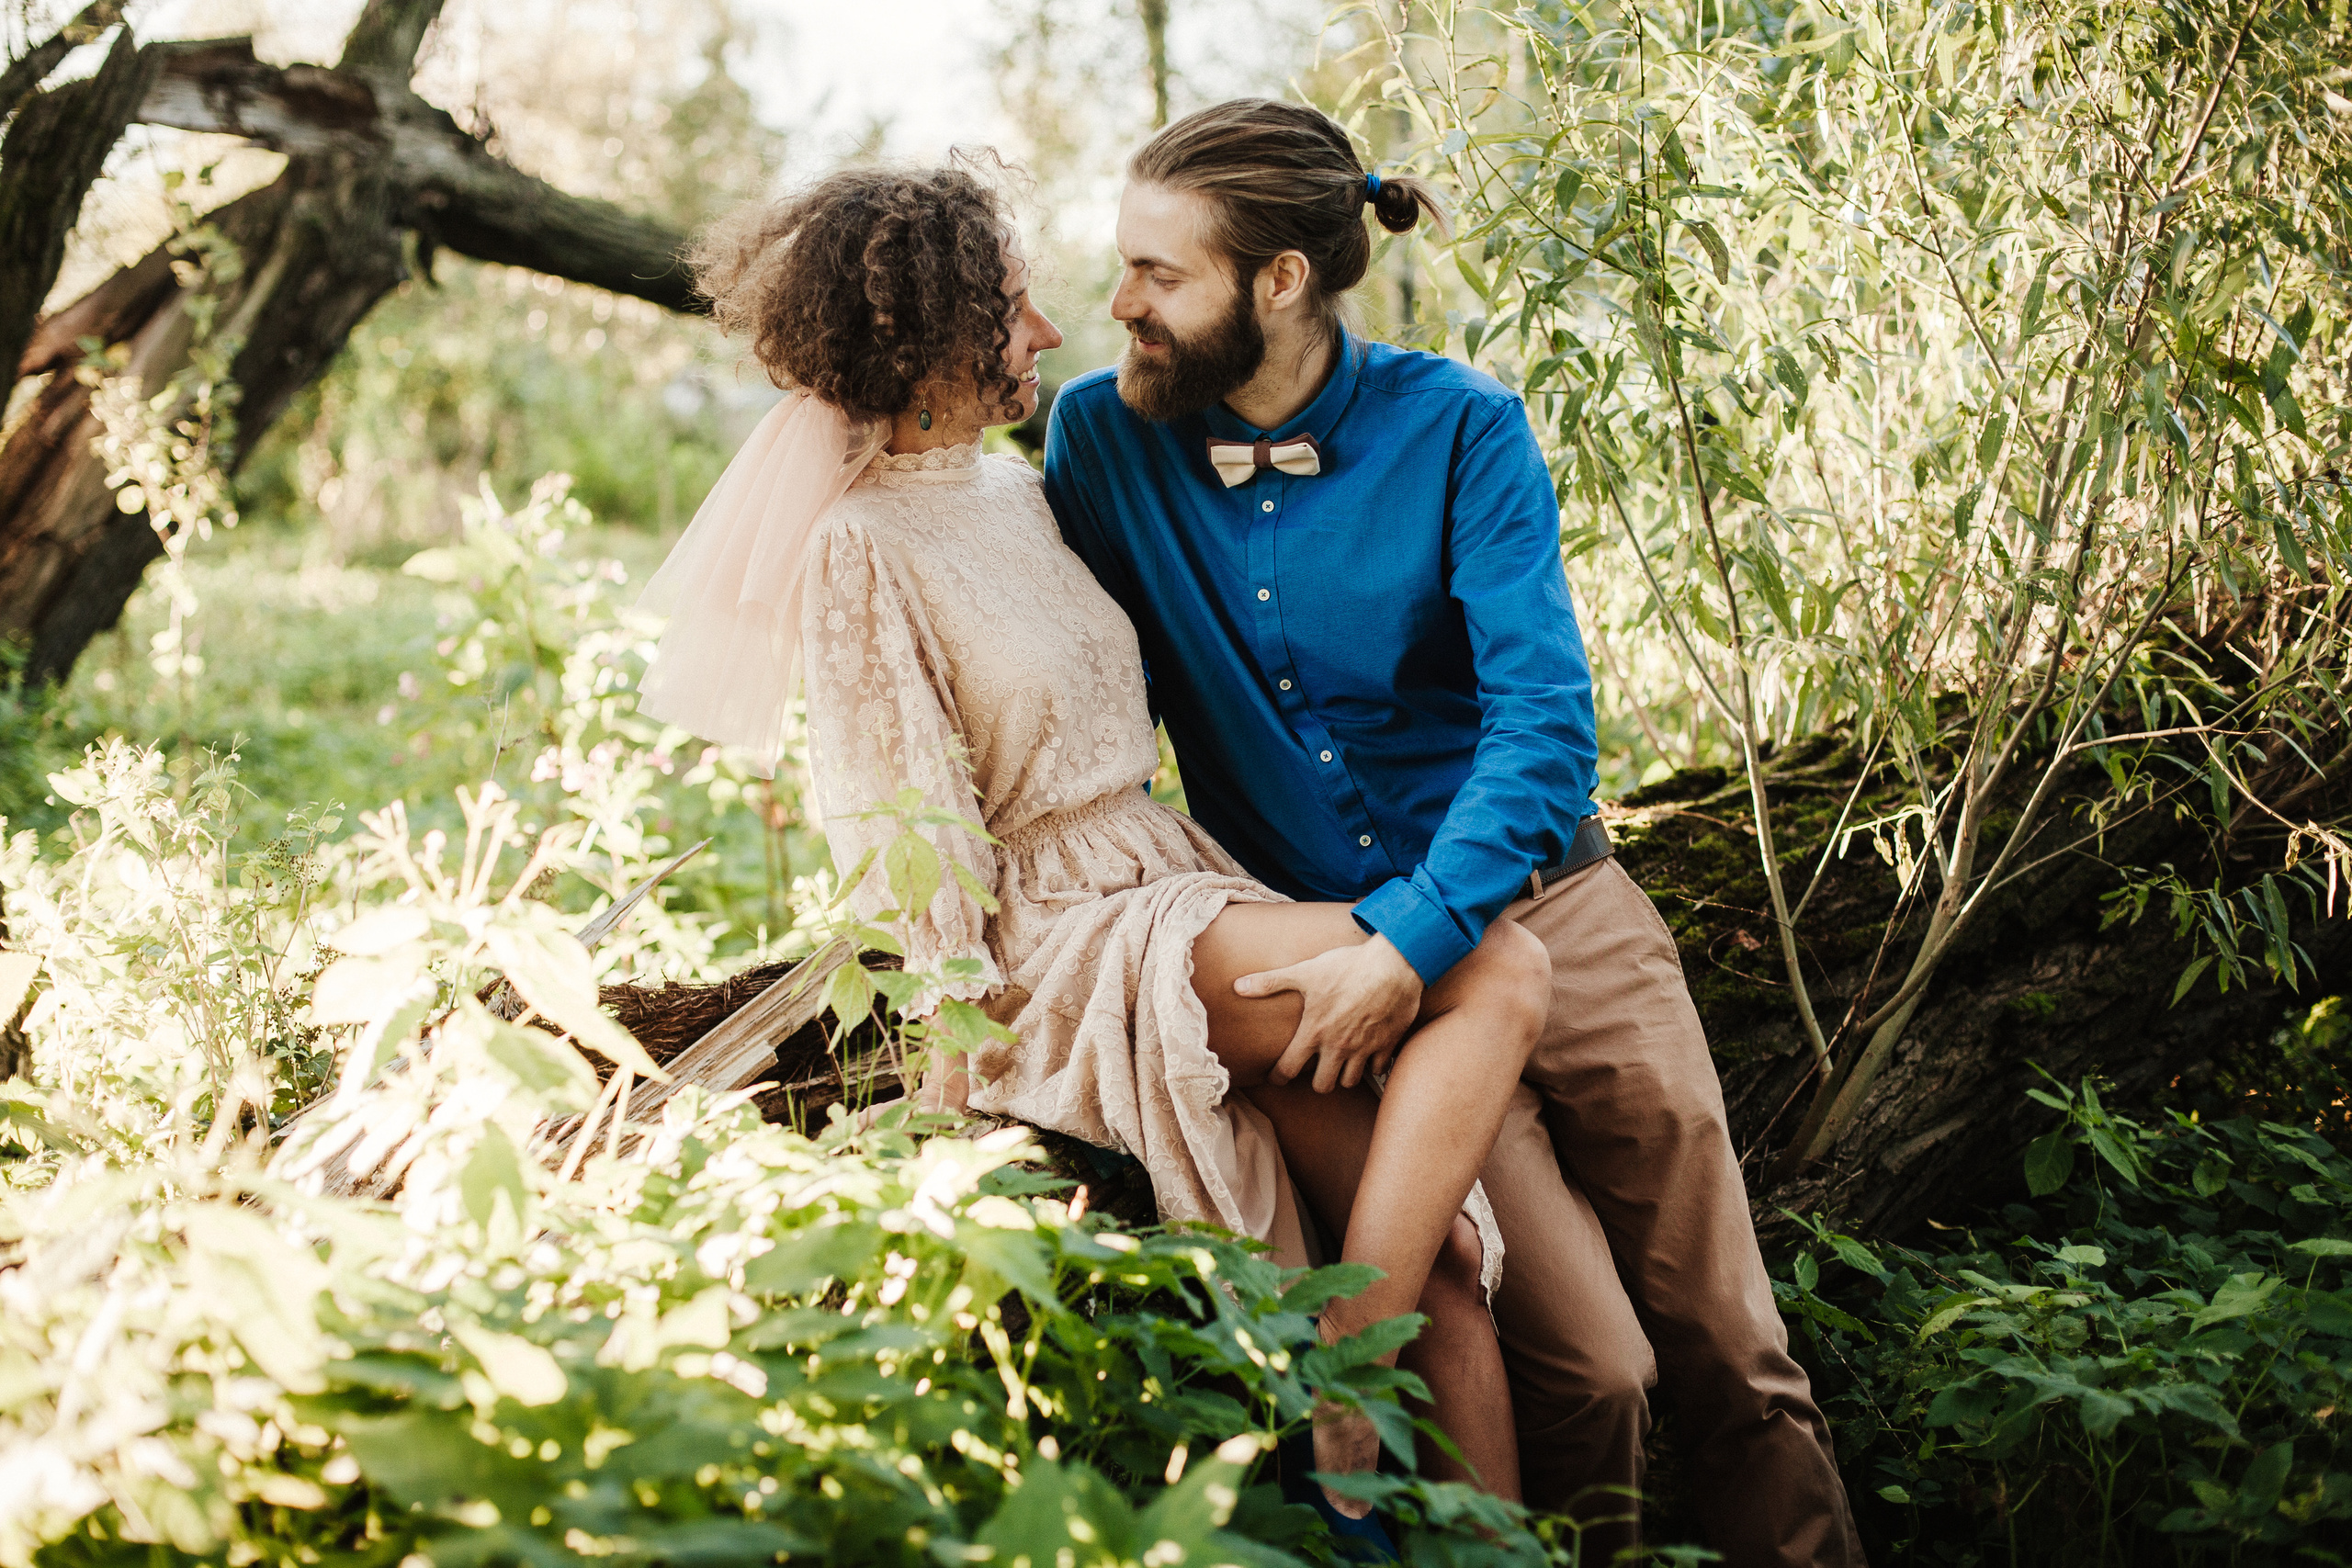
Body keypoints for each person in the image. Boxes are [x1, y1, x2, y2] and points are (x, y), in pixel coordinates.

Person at [632, 159, 1545, 1515]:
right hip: (1063, 938)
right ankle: (1345, 1368)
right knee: (1493, 968)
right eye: (1011, 309)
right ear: (929, 336)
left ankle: (1480, 1533)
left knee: (1446, 1282)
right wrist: (946, 1090)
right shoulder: (859, 548)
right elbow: (907, 831)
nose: (1052, 330)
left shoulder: (1013, 489)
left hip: (1168, 881)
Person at [1039, 99, 1866, 1567]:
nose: (1123, 303)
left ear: (1279, 281)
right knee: (1591, 1370)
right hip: (1347, 966)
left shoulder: (1462, 426)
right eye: (1124, 266)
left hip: (1553, 920)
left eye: (1161, 274)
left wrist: (1419, 938)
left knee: (1731, 1340)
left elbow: (1544, 729)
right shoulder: (1103, 443)